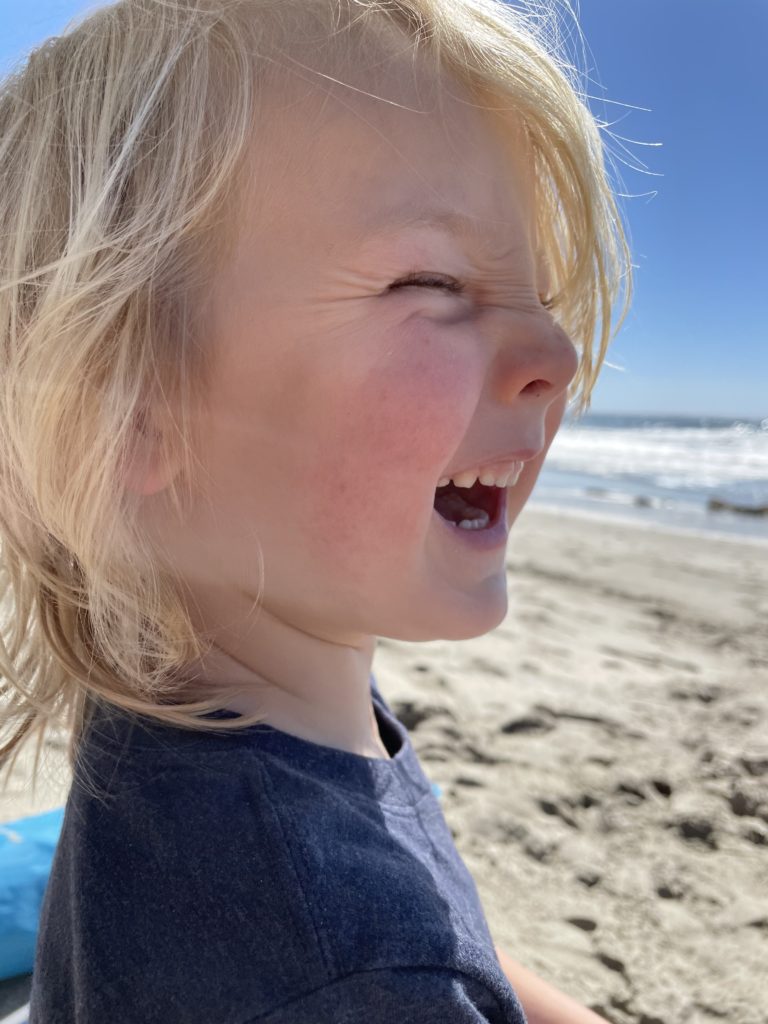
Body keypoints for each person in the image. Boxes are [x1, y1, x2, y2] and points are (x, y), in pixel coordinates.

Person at [0, 0, 630, 1020]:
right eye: (434, 280)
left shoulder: (174, 702)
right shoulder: (352, 975)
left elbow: (430, 921)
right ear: (126, 413)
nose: (558, 360)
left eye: (547, 302)